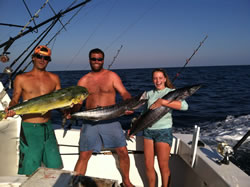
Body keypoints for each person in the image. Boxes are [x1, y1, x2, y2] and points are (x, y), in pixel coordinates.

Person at [71, 48, 134, 187]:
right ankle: (75, 183)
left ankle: (127, 182)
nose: (96, 61)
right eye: (94, 59)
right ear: (89, 60)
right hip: (90, 121)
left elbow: (124, 93)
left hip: (111, 120)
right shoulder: (83, 80)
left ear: (103, 60)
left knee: (123, 151)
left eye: (99, 59)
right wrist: (71, 111)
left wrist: (128, 104)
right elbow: (78, 103)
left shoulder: (112, 76)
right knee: (84, 155)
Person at [5, 45, 63, 175]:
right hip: (30, 128)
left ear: (49, 60)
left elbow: (60, 101)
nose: (42, 60)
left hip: (48, 127)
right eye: (39, 56)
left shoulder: (54, 78)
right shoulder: (21, 78)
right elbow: (15, 99)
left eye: (46, 58)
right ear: (33, 58)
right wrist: (11, 107)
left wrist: (67, 111)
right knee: (29, 168)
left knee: (54, 166)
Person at [142, 68, 188, 187]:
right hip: (148, 132)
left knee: (163, 165)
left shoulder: (172, 92)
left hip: (163, 131)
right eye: (155, 78)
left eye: (160, 78)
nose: (158, 81)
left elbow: (184, 106)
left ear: (165, 79)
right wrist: (134, 128)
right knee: (148, 165)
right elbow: (144, 114)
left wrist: (163, 102)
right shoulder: (149, 93)